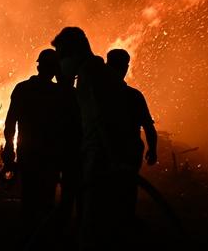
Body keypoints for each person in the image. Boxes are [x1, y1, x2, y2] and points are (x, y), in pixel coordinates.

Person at [51, 26, 126, 250]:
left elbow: (101, 120)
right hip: (101, 155)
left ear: (71, 53)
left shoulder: (89, 76)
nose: (60, 63)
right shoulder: (98, 71)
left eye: (61, 56)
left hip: (101, 157)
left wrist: (111, 160)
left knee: (92, 223)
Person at [2, 49, 72, 225]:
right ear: (55, 69)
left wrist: (9, 151)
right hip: (51, 155)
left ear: (39, 67)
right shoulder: (59, 93)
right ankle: (42, 238)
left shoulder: (23, 88)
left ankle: (29, 238)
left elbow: (10, 123)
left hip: (28, 154)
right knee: (47, 200)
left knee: (29, 200)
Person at [105, 48, 158, 221]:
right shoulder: (134, 96)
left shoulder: (97, 94)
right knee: (126, 193)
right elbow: (148, 127)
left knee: (104, 194)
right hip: (128, 153)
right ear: (125, 68)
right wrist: (152, 149)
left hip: (105, 153)